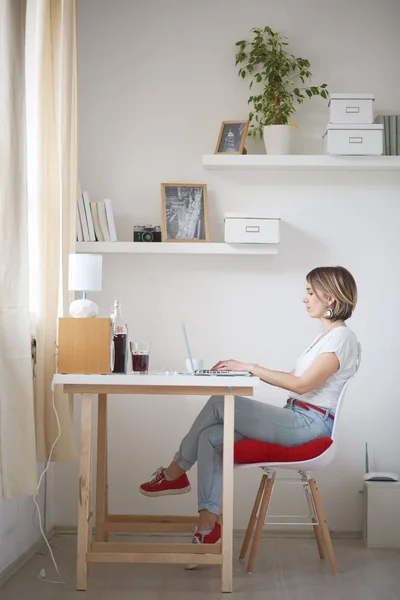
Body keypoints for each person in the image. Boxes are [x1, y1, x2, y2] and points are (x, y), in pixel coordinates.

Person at [139, 266, 360, 549]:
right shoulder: (324, 338)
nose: (304, 298)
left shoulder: (342, 338)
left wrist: (250, 367)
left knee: (220, 402)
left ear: (329, 297)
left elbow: (301, 385)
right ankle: (207, 526)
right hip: (297, 416)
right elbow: (294, 379)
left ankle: (174, 472)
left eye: (309, 291)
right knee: (211, 437)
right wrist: (244, 371)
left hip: (308, 425)